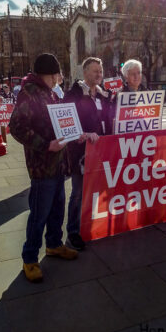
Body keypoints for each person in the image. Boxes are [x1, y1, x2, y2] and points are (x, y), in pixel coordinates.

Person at [9, 53, 78, 283]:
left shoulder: (48, 92)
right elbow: (16, 127)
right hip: (42, 167)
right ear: (46, 74)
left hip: (57, 165)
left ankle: (54, 245)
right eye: (55, 74)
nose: (58, 78)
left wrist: (71, 131)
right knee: (39, 214)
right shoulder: (29, 93)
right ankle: (30, 258)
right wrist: (45, 144)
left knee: (57, 209)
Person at [63, 57, 112, 250]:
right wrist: (81, 134)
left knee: (95, 193)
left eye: (100, 71)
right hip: (80, 154)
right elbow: (66, 122)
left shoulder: (104, 95)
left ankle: (89, 227)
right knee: (77, 194)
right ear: (84, 73)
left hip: (100, 153)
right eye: (95, 71)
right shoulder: (74, 94)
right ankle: (73, 233)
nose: (99, 74)